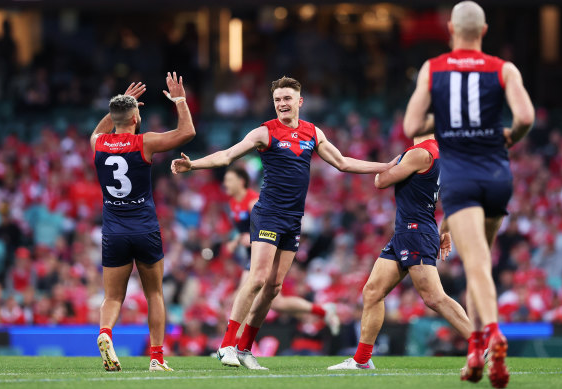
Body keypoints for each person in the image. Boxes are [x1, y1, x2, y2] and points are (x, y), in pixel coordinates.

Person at [171, 76, 396, 370]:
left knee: (274, 287)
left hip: (293, 220)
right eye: (278, 100)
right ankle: (226, 345)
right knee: (258, 278)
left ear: (299, 101)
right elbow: (227, 155)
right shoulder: (265, 132)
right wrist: (194, 165)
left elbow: (342, 162)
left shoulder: (312, 132)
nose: (282, 104)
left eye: (287, 99)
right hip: (268, 214)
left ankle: (245, 348)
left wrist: (387, 166)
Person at [403, 2, 534, 387]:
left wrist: (441, 119)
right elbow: (525, 117)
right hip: (496, 172)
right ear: (484, 30)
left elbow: (412, 123)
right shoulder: (503, 68)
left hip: (460, 175)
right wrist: (511, 136)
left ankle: (490, 336)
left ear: (450, 29)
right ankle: (475, 349)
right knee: (483, 262)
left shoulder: (434, 68)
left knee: (475, 264)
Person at [328, 134, 472, 370]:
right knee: (372, 292)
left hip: (415, 231)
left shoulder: (419, 152)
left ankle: (481, 344)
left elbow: (380, 181)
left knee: (434, 297)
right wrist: (444, 230)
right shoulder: (439, 152)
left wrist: (391, 162)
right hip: (406, 232)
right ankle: (362, 360)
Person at [92, 73, 196, 372]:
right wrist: (179, 99)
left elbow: (99, 131)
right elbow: (187, 132)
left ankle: (104, 333)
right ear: (136, 118)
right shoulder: (145, 142)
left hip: (113, 231)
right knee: (154, 294)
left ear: (114, 118)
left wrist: (119, 108)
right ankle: (157, 358)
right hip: (144, 229)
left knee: (112, 296)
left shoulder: (99, 144)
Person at [223, 166, 340, 338]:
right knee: (277, 303)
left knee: (244, 295)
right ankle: (323, 310)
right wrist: (236, 241)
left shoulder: (252, 201)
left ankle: (233, 343)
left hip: (265, 253)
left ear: (241, 182)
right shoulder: (233, 202)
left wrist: (249, 239)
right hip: (252, 254)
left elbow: (266, 228)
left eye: (229, 180)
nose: (225, 184)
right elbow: (245, 230)